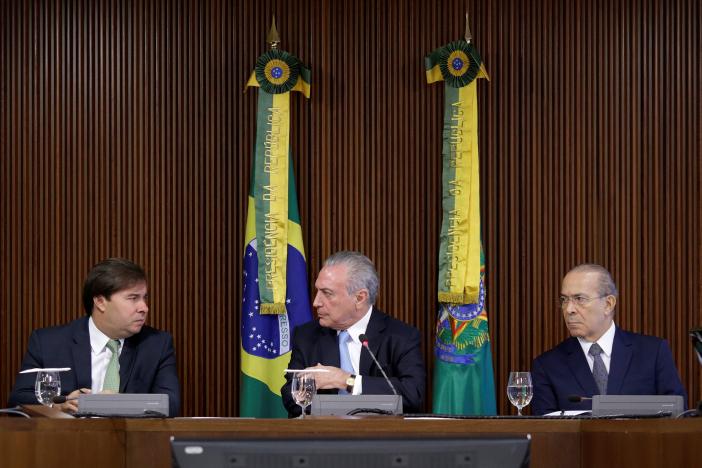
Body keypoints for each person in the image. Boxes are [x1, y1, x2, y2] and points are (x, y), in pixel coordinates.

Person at [8, 258, 181, 416]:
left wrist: (108, 404)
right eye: (133, 298)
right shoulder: (48, 343)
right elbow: (18, 402)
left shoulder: (156, 344)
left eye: (144, 298)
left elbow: (170, 403)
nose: (144, 307)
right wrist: (58, 405)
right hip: (65, 445)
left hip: (131, 445)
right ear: (100, 302)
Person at [281, 251, 426, 417]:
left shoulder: (400, 336)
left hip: (382, 438)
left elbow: (412, 395)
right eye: (317, 291)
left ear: (359, 298)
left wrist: (346, 380)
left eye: (327, 293)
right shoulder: (307, 336)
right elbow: (291, 397)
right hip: (322, 437)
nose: (316, 302)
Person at [531, 263, 687, 415]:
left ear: (608, 304)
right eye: (564, 300)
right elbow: (546, 432)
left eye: (579, 299)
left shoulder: (652, 353)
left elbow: (678, 418)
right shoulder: (547, 366)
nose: (569, 309)